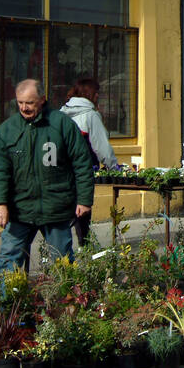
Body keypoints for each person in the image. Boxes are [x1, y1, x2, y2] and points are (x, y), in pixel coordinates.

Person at [0, 79, 95, 271]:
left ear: (42, 99)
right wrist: (0, 204)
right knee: (8, 262)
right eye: (20, 102)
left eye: (29, 103)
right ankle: (4, 301)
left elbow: (82, 163)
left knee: (62, 265)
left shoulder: (62, 125)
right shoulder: (7, 131)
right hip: (19, 209)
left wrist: (84, 200)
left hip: (56, 208)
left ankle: (66, 300)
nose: (24, 107)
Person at [60, 77, 119, 246]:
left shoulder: (61, 112)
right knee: (83, 208)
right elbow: (101, 147)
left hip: (61, 169)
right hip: (83, 169)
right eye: (97, 93)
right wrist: (113, 168)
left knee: (65, 210)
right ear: (92, 94)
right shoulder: (91, 115)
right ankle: (84, 247)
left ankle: (62, 248)